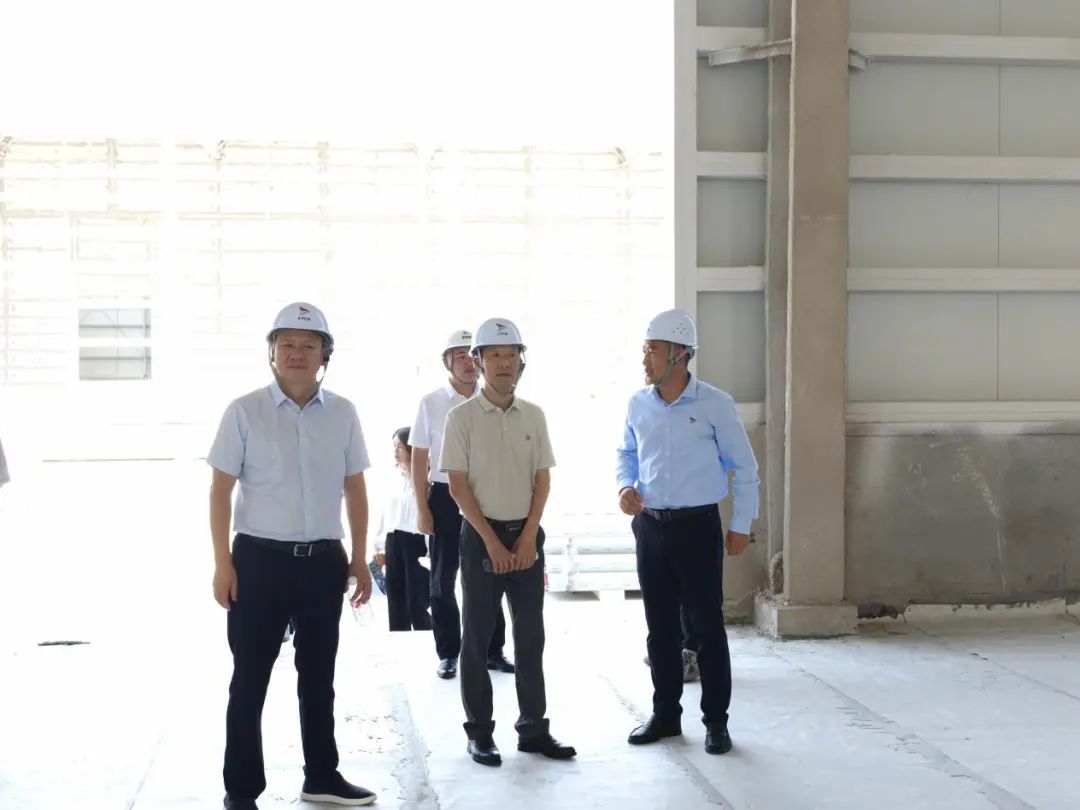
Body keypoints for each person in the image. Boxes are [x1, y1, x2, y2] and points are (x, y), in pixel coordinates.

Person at [208, 302, 376, 809]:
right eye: (287, 345)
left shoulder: (343, 413)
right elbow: (220, 491)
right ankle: (241, 791)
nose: (297, 353)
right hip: (259, 562)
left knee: (319, 675)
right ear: (272, 352)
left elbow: (355, 489)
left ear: (325, 355)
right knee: (250, 678)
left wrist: (359, 558)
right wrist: (222, 563)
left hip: (324, 561)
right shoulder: (244, 411)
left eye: (309, 345)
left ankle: (321, 776)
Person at [616, 308, 759, 756]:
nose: (645, 360)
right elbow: (626, 453)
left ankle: (716, 721)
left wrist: (741, 525)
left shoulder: (714, 404)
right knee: (659, 629)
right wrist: (625, 485)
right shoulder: (638, 404)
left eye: (653, 351)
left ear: (680, 355)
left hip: (698, 528)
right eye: (644, 351)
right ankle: (665, 716)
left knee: (707, 627)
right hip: (650, 528)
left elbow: (745, 468)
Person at [441, 317, 576, 766]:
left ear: (521, 361)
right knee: (477, 638)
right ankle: (480, 733)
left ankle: (534, 729)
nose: (503, 363)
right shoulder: (460, 418)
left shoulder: (533, 415)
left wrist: (529, 536)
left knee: (530, 636)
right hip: (481, 538)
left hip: (527, 537)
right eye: (494, 355)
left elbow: (542, 480)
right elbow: (458, 487)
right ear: (478, 362)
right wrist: (493, 544)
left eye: (510, 355)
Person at [409, 330, 513, 679]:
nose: (468, 363)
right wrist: (422, 507)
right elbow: (419, 458)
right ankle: (449, 653)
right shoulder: (431, 403)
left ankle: (493, 651)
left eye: (472, 356)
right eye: (459, 357)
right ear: (447, 362)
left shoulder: (493, 398)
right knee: (442, 580)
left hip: (485, 495)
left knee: (490, 573)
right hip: (443, 496)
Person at [375, 427, 433, 632]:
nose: (395, 451)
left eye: (399, 446)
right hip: (393, 542)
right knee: (396, 601)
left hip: (417, 543)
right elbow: (384, 516)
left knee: (418, 602)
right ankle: (399, 643)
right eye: (394, 446)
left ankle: (428, 641)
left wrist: (431, 551)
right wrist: (379, 548)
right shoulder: (393, 480)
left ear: (411, 447)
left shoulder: (429, 479)